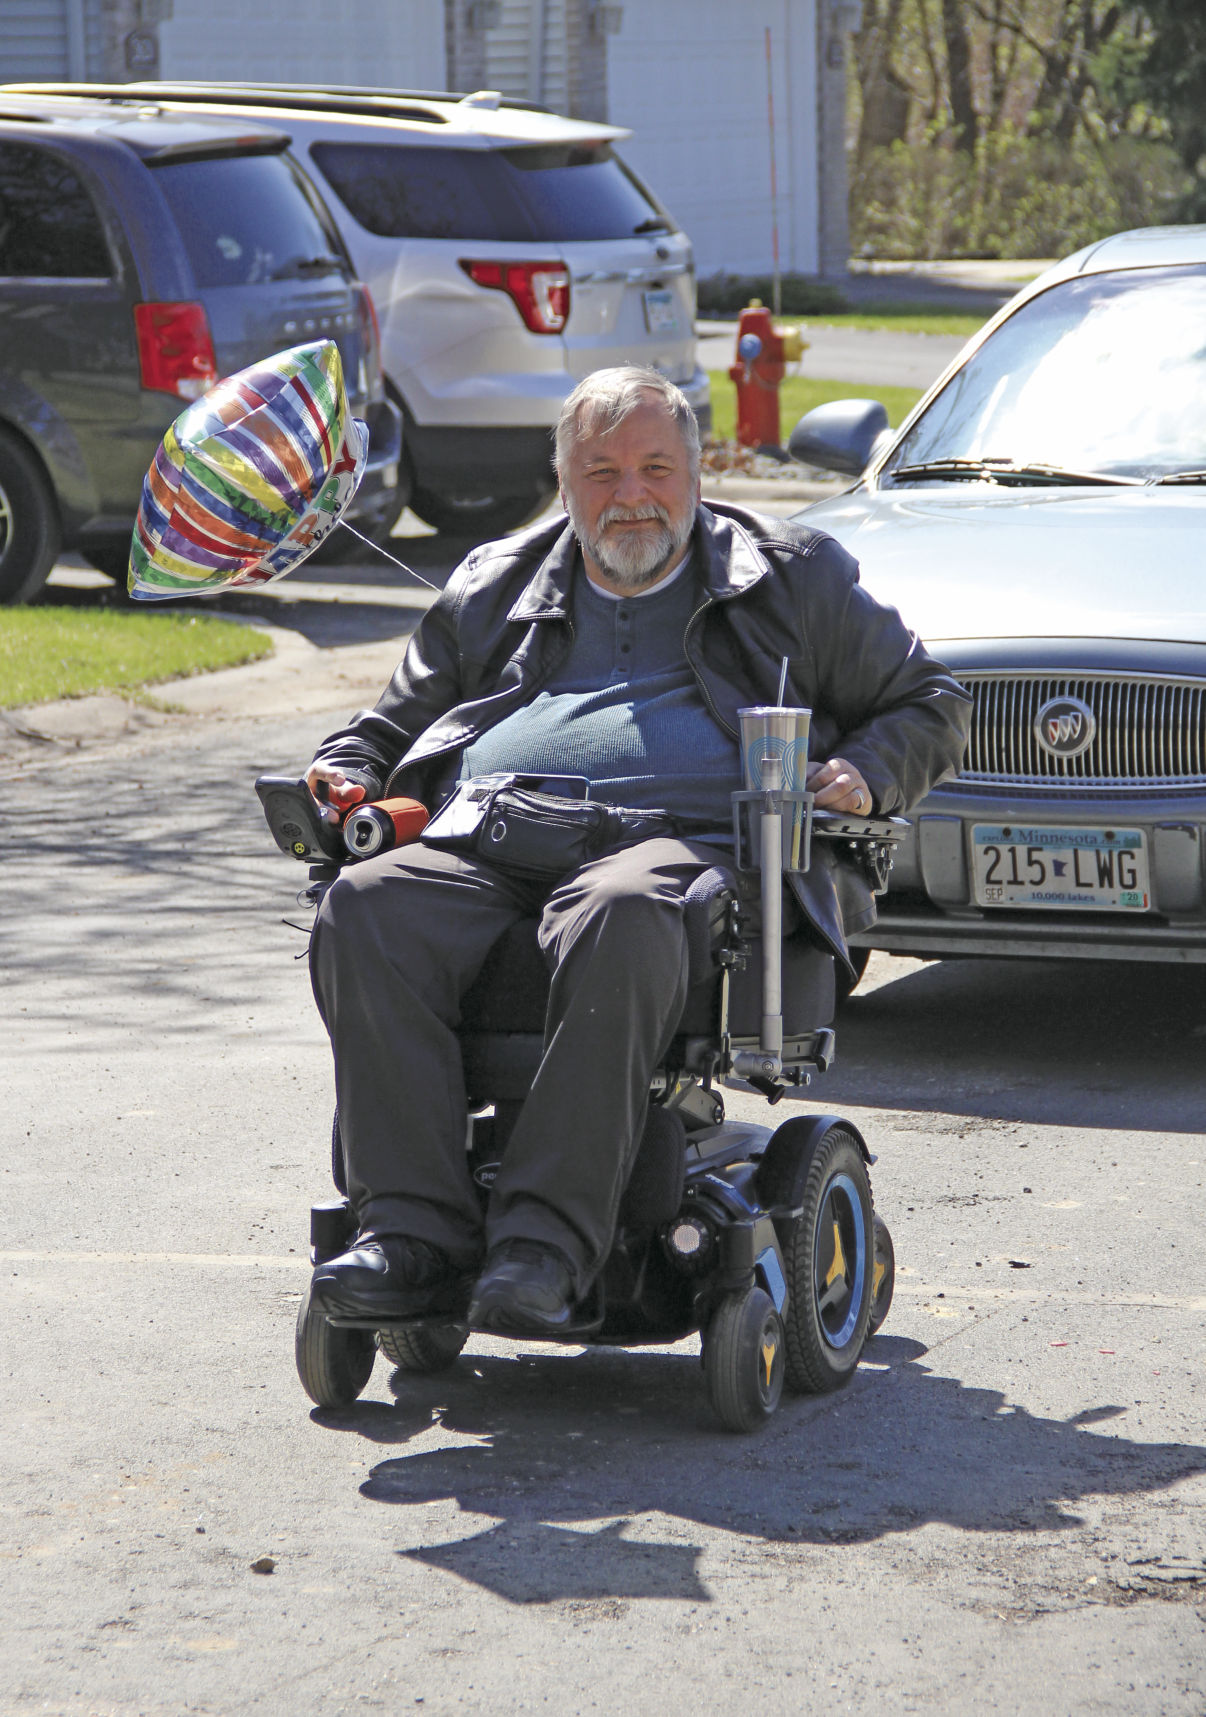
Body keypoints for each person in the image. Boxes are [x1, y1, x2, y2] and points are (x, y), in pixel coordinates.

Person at [302, 366, 970, 1336]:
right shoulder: (493, 582)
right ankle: (412, 1235)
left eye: (656, 466)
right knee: (366, 902)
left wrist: (865, 772)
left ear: (698, 473)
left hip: (676, 848)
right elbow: (383, 729)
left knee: (624, 905)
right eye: (602, 472)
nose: (631, 495)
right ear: (564, 484)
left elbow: (934, 701)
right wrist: (342, 773)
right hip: (491, 839)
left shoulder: (791, 576)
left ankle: (543, 1244)